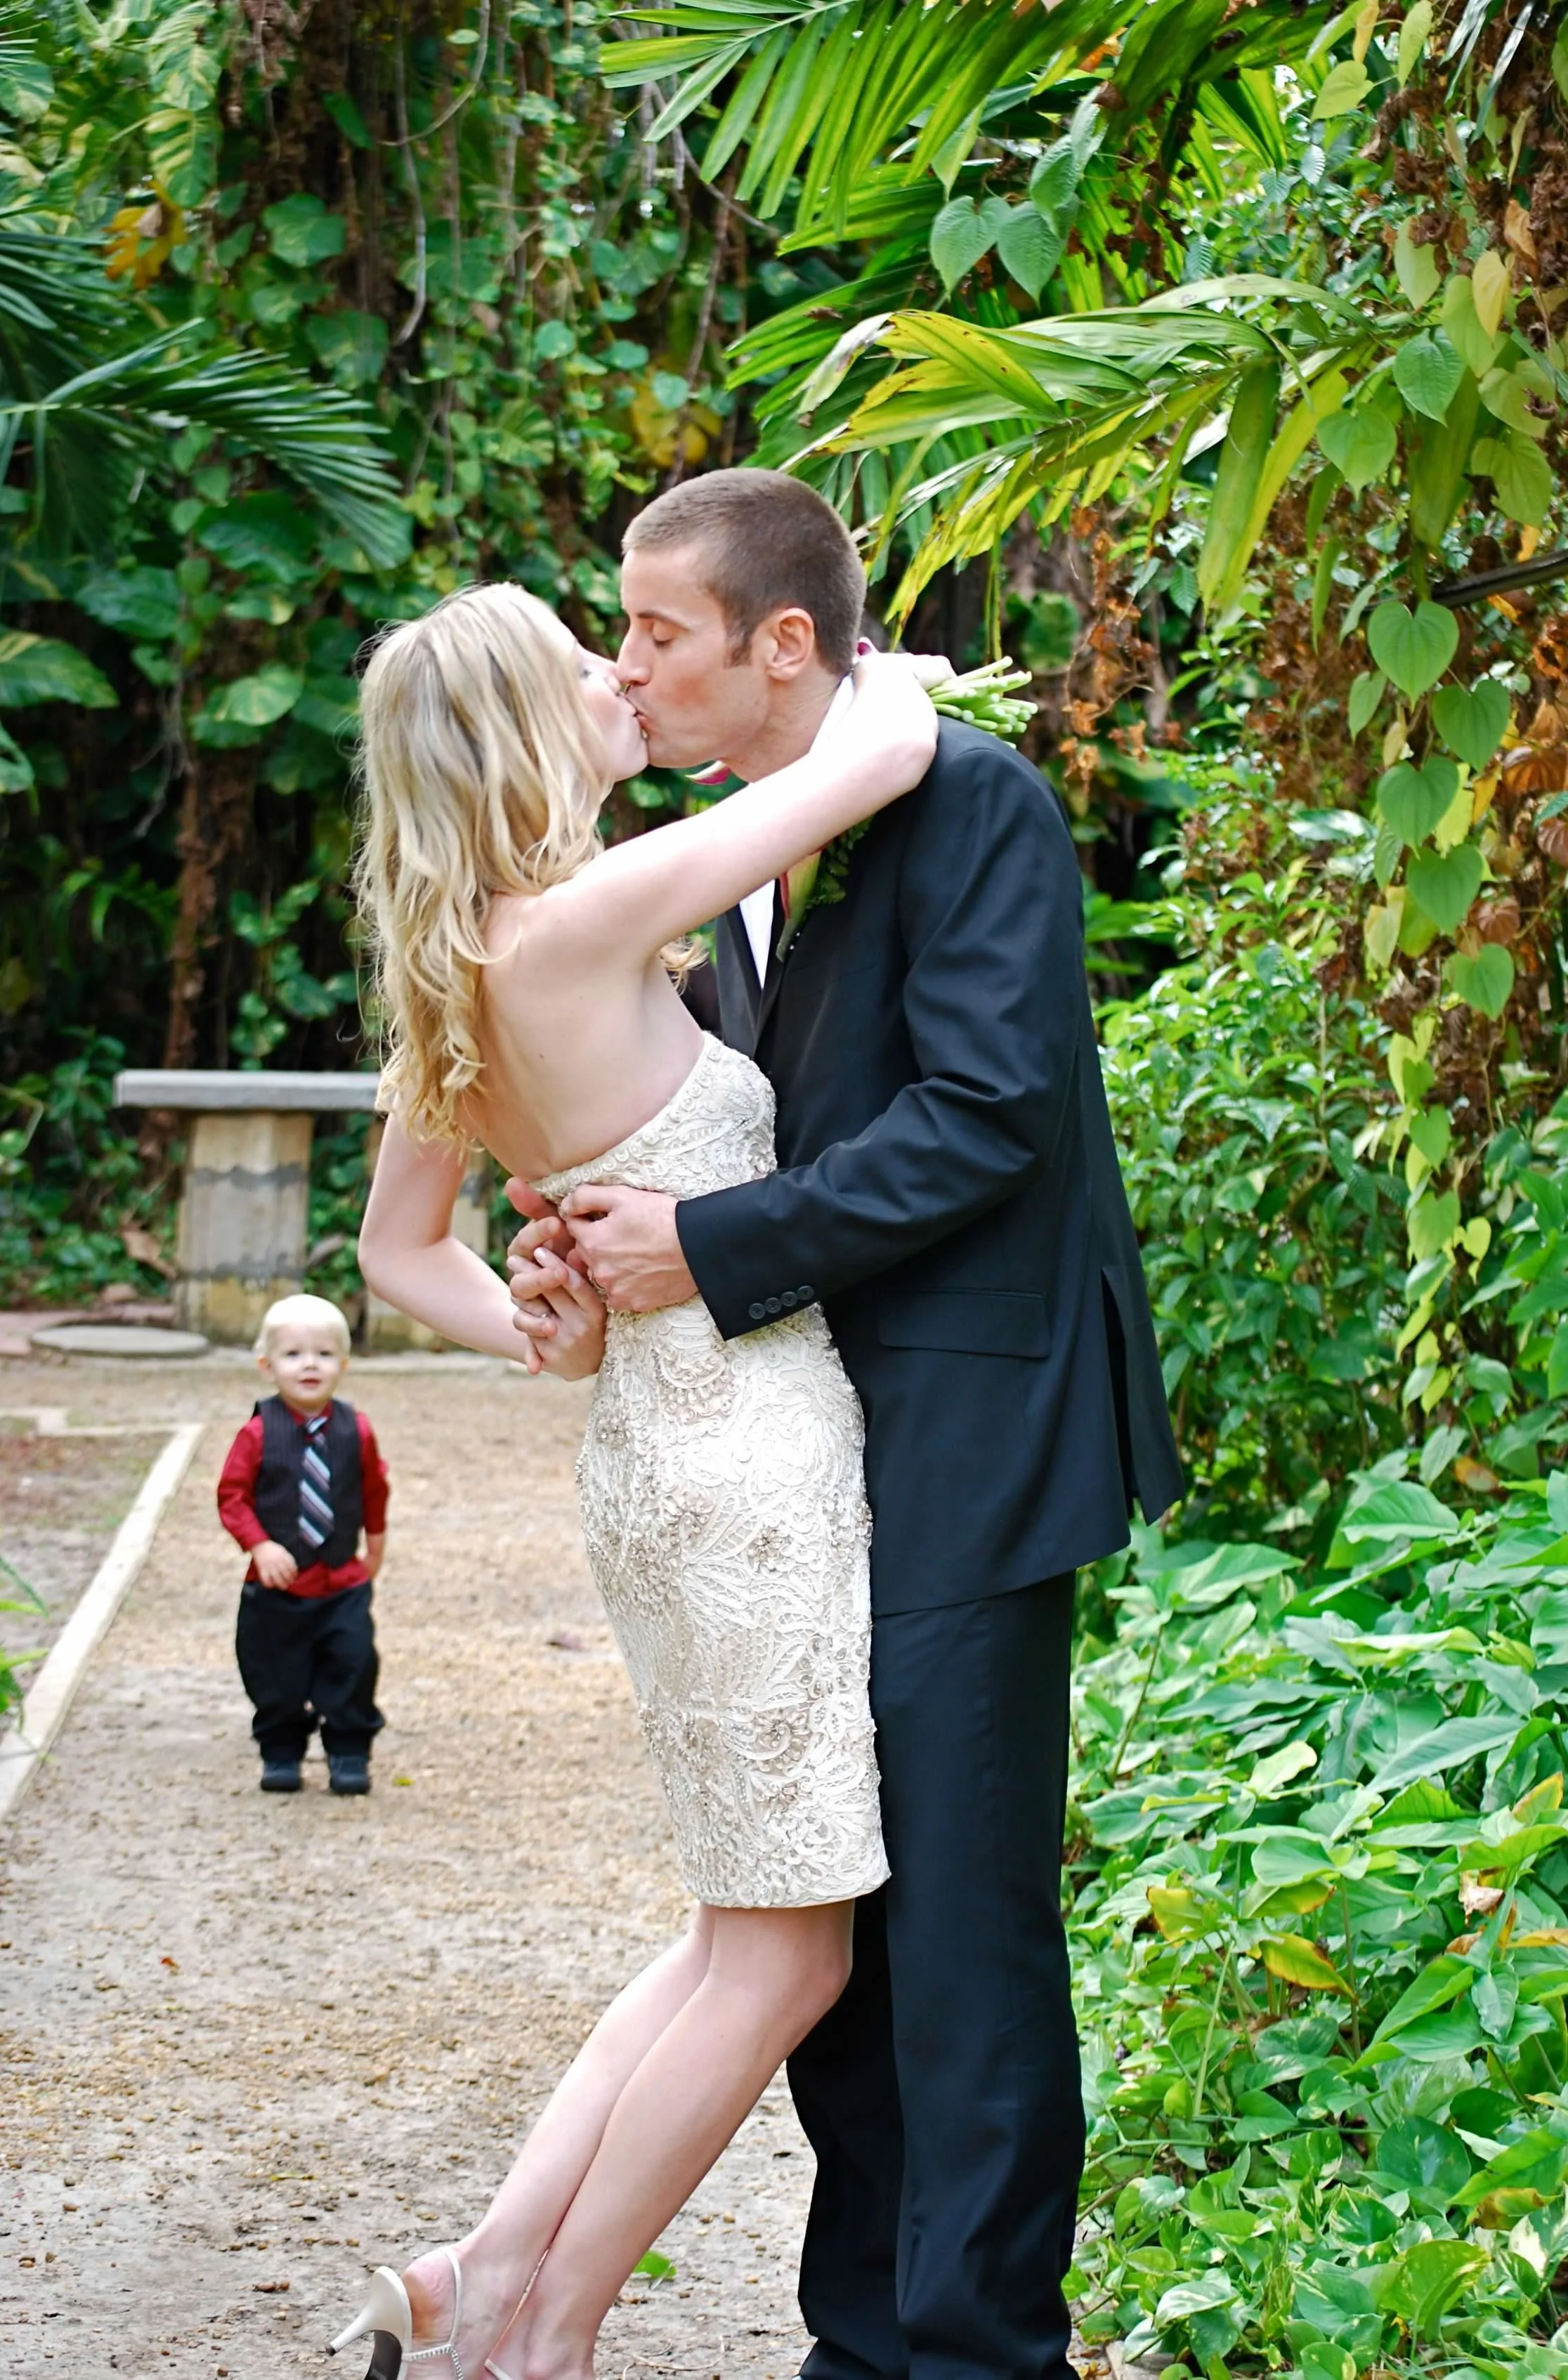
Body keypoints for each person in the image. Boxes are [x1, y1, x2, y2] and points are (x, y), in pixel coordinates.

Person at [507, 468, 1184, 2380]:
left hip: (976, 1428)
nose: (625, 668)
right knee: (835, 1919)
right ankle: (871, 2329)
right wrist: (600, 1241)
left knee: (958, 1930)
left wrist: (702, 1248)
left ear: (779, 642)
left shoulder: (975, 802)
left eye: (655, 631)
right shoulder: (748, 836)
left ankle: (973, 2348)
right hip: (807, 1446)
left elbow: (990, 1114)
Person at [339, 574, 939, 2380]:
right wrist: (877, 663)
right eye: (583, 665)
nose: (623, 676)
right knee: (788, 1961)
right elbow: (879, 748)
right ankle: (548, 2334)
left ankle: (486, 2269)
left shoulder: (468, 969)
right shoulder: (595, 912)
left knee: (731, 1927)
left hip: (653, 1462)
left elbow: (397, 1249)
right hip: (746, 1466)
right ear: (528, 735)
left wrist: (555, 1329)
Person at [217, 1292, 388, 1797]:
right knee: (275, 1674)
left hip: (341, 1581)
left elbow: (374, 1488)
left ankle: (349, 1750)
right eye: (293, 1355)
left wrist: (375, 1544)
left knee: (354, 1663)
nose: (309, 1364)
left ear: (344, 1363)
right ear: (267, 1366)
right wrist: (260, 1545)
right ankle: (281, 1750)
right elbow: (232, 1497)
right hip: (278, 1586)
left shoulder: (356, 1429)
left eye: (324, 1354)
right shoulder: (256, 1433)